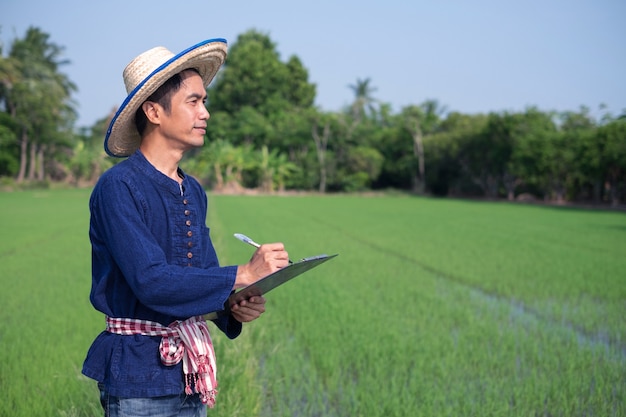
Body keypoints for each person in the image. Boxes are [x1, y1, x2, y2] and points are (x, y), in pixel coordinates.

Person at [82, 38, 290, 417]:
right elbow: (152, 281)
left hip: (190, 375)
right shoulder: (119, 187)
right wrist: (243, 272)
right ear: (154, 112)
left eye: (204, 101)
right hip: (137, 384)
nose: (205, 113)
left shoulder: (192, 189)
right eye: (193, 101)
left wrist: (233, 304)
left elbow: (204, 276)